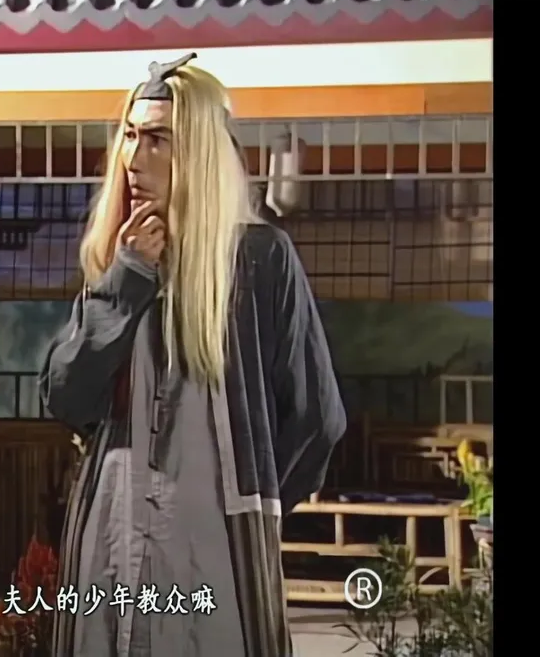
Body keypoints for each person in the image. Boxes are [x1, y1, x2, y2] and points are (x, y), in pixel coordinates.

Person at [41, 55, 347, 657]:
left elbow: (318, 418)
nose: (134, 159)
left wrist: (253, 501)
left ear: (200, 151)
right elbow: (66, 396)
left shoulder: (261, 259)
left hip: (215, 542)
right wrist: (127, 280)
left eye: (158, 139)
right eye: (131, 136)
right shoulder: (120, 258)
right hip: (113, 529)